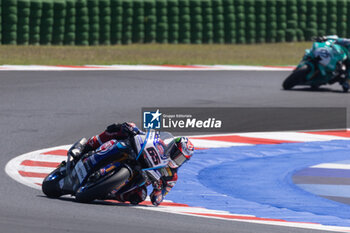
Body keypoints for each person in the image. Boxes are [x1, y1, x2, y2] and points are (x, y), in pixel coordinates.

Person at [69, 122, 194, 206]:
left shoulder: (172, 177)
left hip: (135, 179)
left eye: (181, 159)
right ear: (172, 147)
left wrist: (157, 190)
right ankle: (84, 147)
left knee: (140, 196)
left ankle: (107, 192)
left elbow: (158, 200)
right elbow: (146, 136)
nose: (177, 160)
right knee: (118, 132)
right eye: (177, 155)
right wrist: (133, 129)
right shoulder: (160, 144)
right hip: (135, 155)